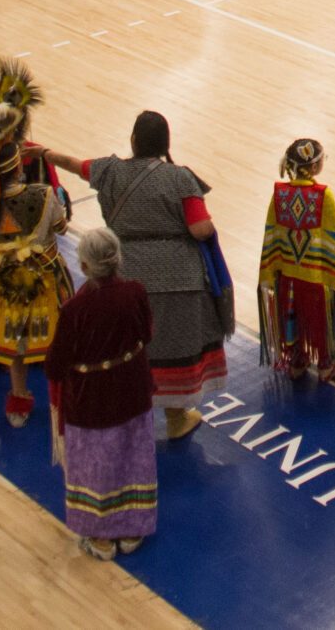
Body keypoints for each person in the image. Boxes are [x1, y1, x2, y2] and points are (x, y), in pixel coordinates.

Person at [58, 111, 228, 436]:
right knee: (173, 346)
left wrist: (43, 154)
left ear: (133, 141)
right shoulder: (180, 178)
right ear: (166, 144)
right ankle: (177, 419)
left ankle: (127, 417)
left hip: (126, 277)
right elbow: (199, 227)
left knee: (128, 349)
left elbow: (74, 164)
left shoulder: (110, 171)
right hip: (178, 280)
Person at [0, 60, 71, 428]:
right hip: (44, 275)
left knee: (13, 341)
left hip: (6, 280)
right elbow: (60, 225)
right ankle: (63, 398)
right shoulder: (41, 194)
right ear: (19, 166)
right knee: (57, 337)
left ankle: (19, 400)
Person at [46, 227, 160, 561]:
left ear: (84, 266)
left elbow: (55, 364)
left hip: (91, 398)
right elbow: (147, 332)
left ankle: (100, 536)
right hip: (132, 388)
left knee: (95, 464)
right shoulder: (135, 292)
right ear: (117, 259)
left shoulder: (74, 310)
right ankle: (132, 527)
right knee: (132, 455)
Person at [258, 137, 335, 380]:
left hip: (288, 274)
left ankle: (296, 361)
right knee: (319, 324)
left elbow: (271, 233)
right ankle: (325, 364)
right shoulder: (323, 196)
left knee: (291, 316)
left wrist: (277, 266)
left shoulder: (279, 194)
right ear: (314, 167)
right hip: (315, 277)